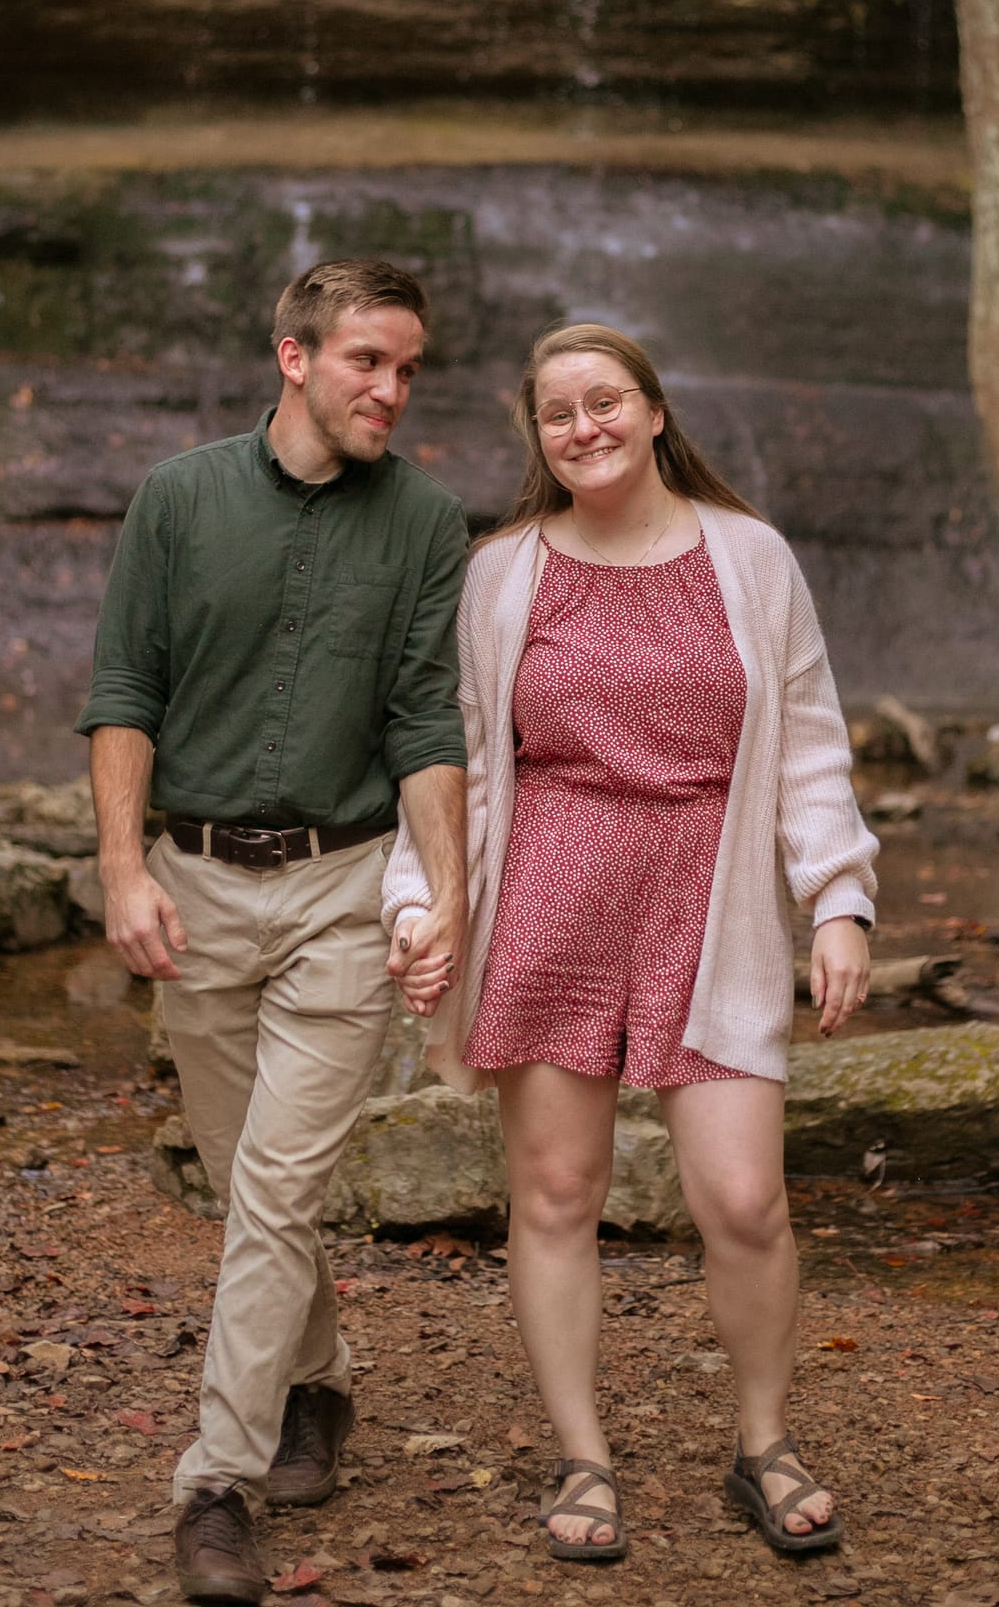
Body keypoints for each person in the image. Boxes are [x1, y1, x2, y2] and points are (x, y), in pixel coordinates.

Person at [385, 321, 878, 1564]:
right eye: (558, 413)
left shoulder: (750, 558)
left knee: (744, 1200)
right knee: (557, 1193)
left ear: (655, 413)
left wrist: (836, 900)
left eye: (605, 401)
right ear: (538, 438)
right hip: (549, 893)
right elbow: (455, 758)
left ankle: (763, 1444)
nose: (584, 427)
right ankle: (582, 1457)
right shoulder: (501, 572)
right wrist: (420, 902)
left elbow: (808, 741)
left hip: (711, 900)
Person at [79, 259, 469, 1607]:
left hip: (339, 893)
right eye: (369, 360)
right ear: (293, 357)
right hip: (191, 887)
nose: (392, 390)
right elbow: (125, 687)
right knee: (244, 1173)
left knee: (276, 1189)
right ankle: (321, 1382)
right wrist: (121, 872)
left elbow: (425, 717)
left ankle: (216, 1484)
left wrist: (447, 887)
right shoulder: (178, 498)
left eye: (408, 368)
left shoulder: (427, 521)